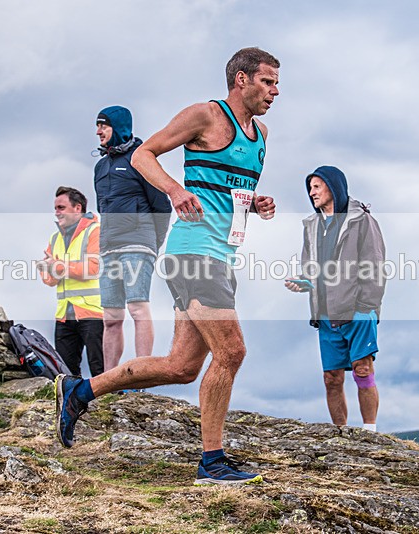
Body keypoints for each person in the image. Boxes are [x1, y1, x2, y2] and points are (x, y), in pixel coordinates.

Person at [55, 47, 280, 485]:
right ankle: (211, 463)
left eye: (276, 84)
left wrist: (255, 202)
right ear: (241, 79)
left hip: (222, 255)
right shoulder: (205, 115)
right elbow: (144, 156)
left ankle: (79, 392)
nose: (275, 91)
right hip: (193, 254)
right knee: (232, 351)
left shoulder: (262, 135)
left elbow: (225, 191)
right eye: (267, 82)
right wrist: (175, 192)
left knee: (181, 367)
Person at [285, 166, 386, 431]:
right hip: (326, 312)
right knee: (331, 378)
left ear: (334, 186)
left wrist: (368, 308)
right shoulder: (311, 226)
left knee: (363, 370)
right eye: (310, 187)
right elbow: (311, 269)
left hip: (357, 310)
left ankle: (370, 432)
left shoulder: (361, 220)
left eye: (317, 186)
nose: (312, 192)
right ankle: (340, 434)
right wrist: (304, 283)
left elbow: (375, 265)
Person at [93, 106, 172, 372]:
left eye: (103, 125)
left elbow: (162, 205)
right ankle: (108, 379)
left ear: (118, 126)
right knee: (111, 318)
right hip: (109, 247)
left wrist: (152, 243)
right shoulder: (100, 167)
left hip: (138, 244)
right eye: (98, 126)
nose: (98, 131)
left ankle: (141, 375)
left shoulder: (141, 158)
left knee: (137, 308)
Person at [38, 186, 104, 378]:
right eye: (56, 208)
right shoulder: (55, 237)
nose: (56, 212)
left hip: (94, 311)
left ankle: (108, 406)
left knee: (100, 370)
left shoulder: (95, 231)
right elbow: (49, 280)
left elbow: (93, 268)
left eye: (61, 207)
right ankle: (73, 407)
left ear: (77, 208)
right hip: (64, 314)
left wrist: (56, 266)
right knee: (66, 374)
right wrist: (48, 269)